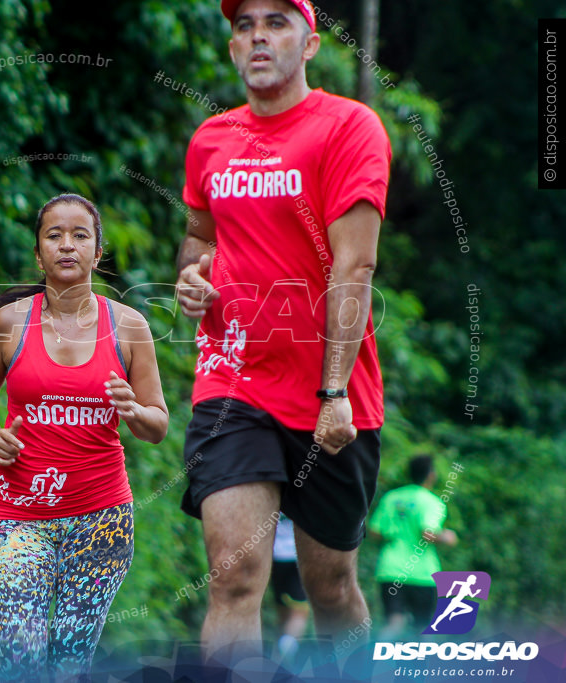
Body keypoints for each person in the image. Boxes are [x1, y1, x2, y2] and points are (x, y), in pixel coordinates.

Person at [174, 0, 392, 667]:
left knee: (329, 586)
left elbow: (355, 266)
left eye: (275, 22)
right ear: (234, 47)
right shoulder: (211, 138)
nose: (257, 36)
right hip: (232, 381)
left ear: (310, 43)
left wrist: (332, 391)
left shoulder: (348, 127)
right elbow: (196, 239)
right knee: (234, 577)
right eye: (244, 26)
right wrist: (190, 278)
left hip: (330, 392)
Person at [0, 193, 169, 682]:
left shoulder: (130, 327)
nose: (67, 245)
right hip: (20, 515)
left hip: (102, 521)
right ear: (39, 254)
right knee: (19, 658)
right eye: (54, 235)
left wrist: (133, 410)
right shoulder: (10, 323)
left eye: (80, 236)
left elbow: (158, 424)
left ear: (99, 252)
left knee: (69, 664)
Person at [369, 455, 458, 639]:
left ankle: (374, 662)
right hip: (422, 573)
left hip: (390, 568)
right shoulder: (432, 501)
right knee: (423, 628)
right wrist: (447, 537)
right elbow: (427, 533)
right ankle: (419, 667)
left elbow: (375, 532)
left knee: (394, 623)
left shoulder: (391, 497)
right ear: (431, 475)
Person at [269, 514, 310, 660]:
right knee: (299, 612)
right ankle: (286, 653)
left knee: (283, 610)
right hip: (299, 556)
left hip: (273, 555)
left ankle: (276, 655)